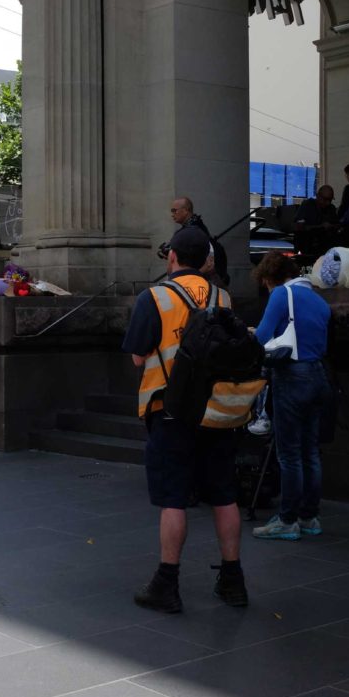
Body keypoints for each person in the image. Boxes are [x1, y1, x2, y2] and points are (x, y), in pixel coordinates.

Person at [122, 227, 247, 613]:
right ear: (206, 259)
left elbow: (138, 357)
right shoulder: (221, 296)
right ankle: (232, 581)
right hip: (216, 409)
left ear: (172, 257)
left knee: (174, 498)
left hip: (171, 410)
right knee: (224, 495)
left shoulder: (154, 297)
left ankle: (167, 583)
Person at [252, 251, 332, 541]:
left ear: (271, 277)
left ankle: (287, 520)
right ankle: (310, 517)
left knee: (289, 454)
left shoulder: (281, 294)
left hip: (292, 376)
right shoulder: (319, 299)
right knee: (310, 451)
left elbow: (262, 336)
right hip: (318, 375)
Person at [293, 184, 338, 259]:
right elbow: (298, 227)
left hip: (325, 251)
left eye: (330, 200)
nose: (328, 203)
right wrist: (320, 227)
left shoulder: (331, 209)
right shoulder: (307, 205)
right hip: (307, 249)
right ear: (318, 196)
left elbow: (336, 225)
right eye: (325, 199)